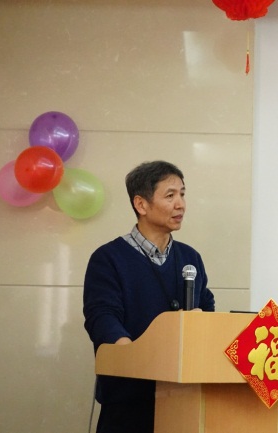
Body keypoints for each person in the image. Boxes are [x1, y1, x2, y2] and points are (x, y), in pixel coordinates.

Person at [83, 160, 215, 433]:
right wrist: (134, 357)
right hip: (128, 402)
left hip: (185, 398)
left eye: (182, 194)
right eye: (170, 195)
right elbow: (102, 317)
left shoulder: (190, 258)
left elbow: (207, 307)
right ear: (141, 204)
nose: (181, 204)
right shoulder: (108, 258)